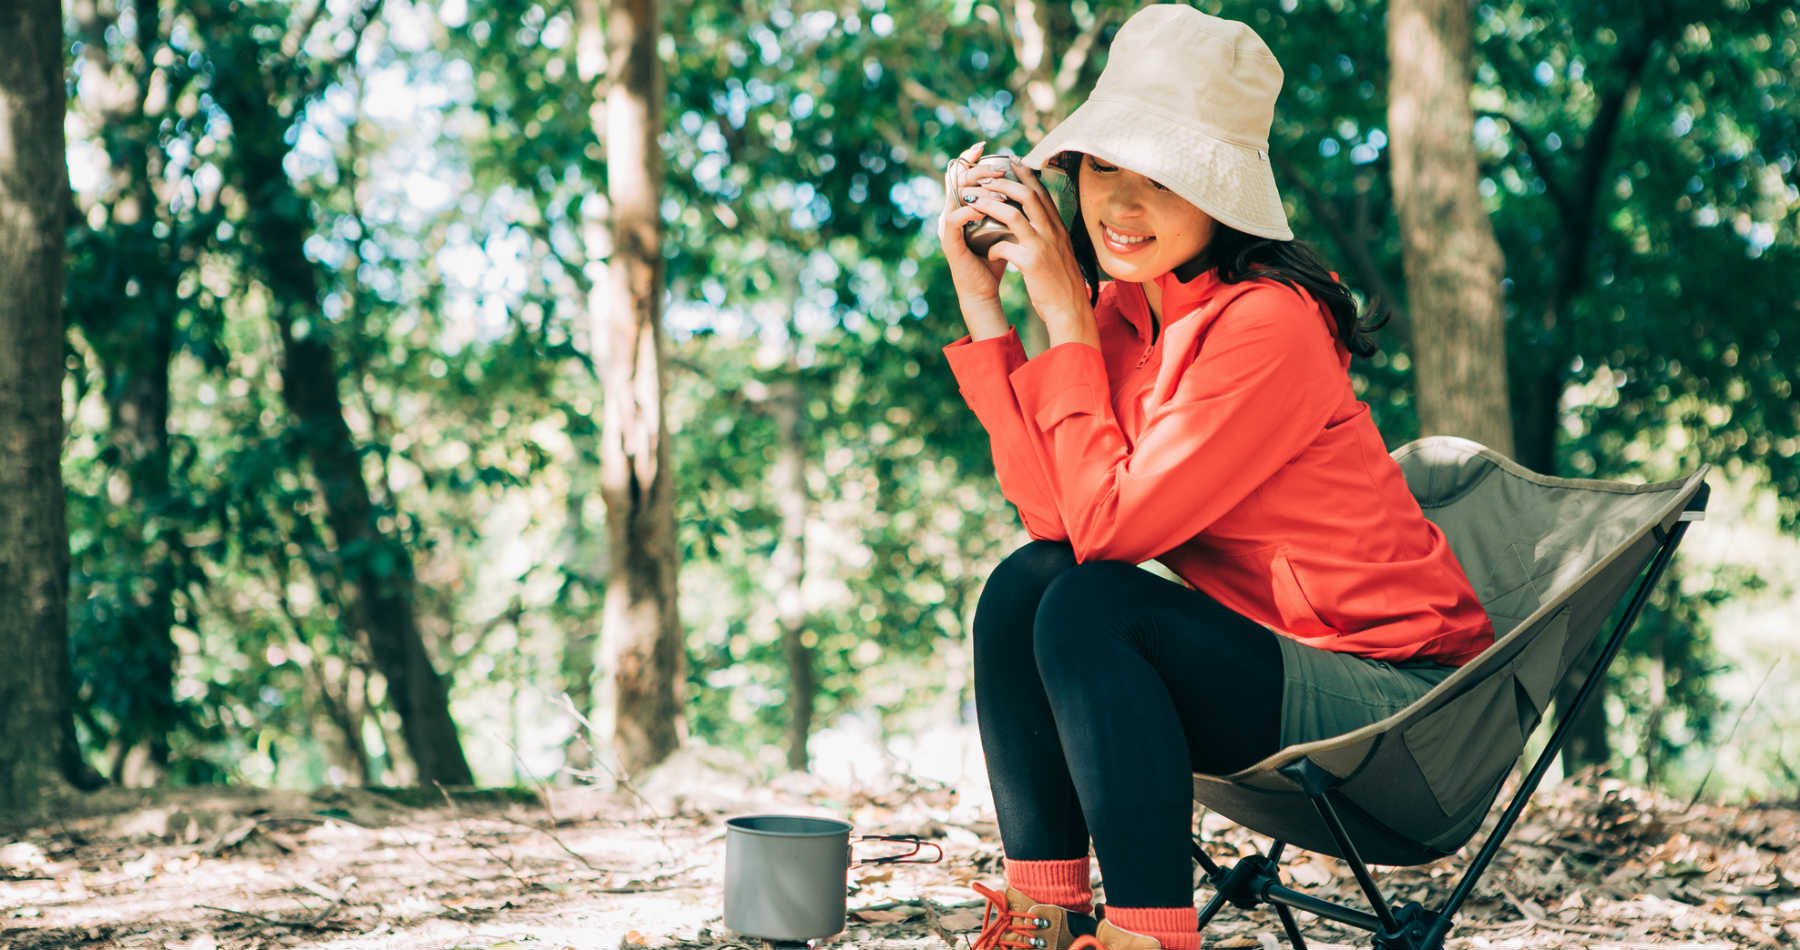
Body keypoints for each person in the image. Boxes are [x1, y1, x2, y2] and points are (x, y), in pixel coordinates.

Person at [934, 7, 1495, 950]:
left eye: (1165, 178)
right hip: (1276, 672)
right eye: (1106, 168)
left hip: (1408, 718)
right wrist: (987, 308)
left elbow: (1109, 540)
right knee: (1026, 586)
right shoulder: (1122, 317)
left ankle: (1149, 936)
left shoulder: (1268, 323)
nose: (1122, 205)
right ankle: (1045, 918)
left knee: (1092, 604)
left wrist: (1064, 319)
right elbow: (1053, 522)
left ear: (1222, 196)